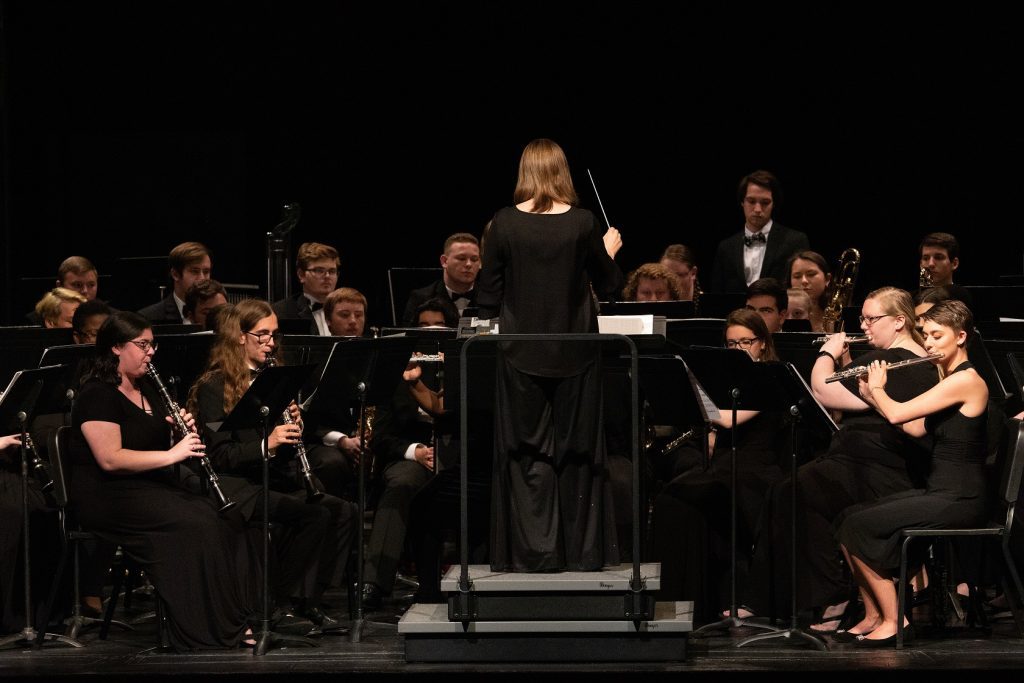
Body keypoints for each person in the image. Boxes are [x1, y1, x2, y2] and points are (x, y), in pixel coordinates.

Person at [742, 287, 940, 630]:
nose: (863, 326)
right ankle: (774, 600)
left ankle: (831, 597)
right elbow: (857, 406)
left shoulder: (901, 362)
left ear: (898, 321)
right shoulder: (886, 359)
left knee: (798, 490)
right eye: (861, 318)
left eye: (871, 319)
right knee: (785, 489)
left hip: (882, 471)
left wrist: (827, 353)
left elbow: (823, 391)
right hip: (857, 461)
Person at [476, 138, 624, 573]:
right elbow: (611, 284)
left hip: (519, 355)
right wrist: (609, 250)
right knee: (578, 453)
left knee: (523, 454)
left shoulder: (503, 222)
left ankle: (531, 555)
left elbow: (487, 295)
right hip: (576, 354)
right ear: (563, 173)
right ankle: (581, 555)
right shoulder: (582, 223)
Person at [68, 311, 257, 649]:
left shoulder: (148, 392)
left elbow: (151, 445)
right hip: (107, 496)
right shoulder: (96, 394)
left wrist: (176, 436)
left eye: (152, 345)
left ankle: (234, 617)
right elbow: (110, 459)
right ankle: (203, 628)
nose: (150, 352)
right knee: (196, 523)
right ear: (116, 348)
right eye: (142, 345)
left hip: (148, 486)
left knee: (226, 515)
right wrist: (174, 454)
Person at [187, 299, 355, 634]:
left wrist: (295, 429)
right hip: (235, 485)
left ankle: (306, 599)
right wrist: (269, 443)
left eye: (273, 335)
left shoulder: (275, 379)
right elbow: (221, 456)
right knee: (313, 515)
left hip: (271, 477)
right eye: (261, 335)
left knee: (344, 511)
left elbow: (283, 450)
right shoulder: (214, 386)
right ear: (239, 337)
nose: (270, 343)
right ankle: (281, 604)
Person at [835, 299, 988, 646]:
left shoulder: (966, 380)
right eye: (927, 335)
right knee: (848, 517)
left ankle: (895, 620)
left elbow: (896, 415)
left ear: (961, 337)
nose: (930, 343)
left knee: (859, 526)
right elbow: (916, 427)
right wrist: (873, 398)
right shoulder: (947, 378)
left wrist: (878, 388)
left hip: (961, 497)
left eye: (937, 335)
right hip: (942, 492)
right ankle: (874, 614)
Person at [651, 308, 788, 624]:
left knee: (704, 497)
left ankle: (735, 594)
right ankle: (680, 604)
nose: (738, 350)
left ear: (763, 343)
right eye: (731, 344)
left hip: (756, 472)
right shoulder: (722, 380)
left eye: (746, 342)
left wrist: (689, 385)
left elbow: (727, 419)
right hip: (723, 467)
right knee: (671, 498)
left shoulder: (768, 376)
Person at [710, 169, 809, 293]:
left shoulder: (795, 241)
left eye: (765, 202)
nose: (757, 209)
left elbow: (802, 291)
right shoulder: (725, 248)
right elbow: (717, 294)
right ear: (742, 202)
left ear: (774, 204)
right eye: (751, 201)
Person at [401, 233, 482, 326]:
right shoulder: (421, 298)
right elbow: (408, 339)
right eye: (461, 258)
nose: (469, 264)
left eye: (474, 259)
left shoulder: (492, 298)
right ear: (444, 261)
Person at [272, 242, 340, 336]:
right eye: (319, 270)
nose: (327, 276)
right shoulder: (282, 312)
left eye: (332, 271)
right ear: (301, 275)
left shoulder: (349, 311)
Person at [138, 242, 212, 324]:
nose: (202, 278)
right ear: (175, 274)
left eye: (206, 272)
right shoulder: (148, 317)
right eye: (194, 271)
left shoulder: (217, 313)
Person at [918, 232, 973, 308]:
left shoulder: (962, 297)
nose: (930, 264)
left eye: (938, 257)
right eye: (926, 258)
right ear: (921, 264)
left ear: (954, 263)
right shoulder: (910, 298)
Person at [787, 250, 833, 333]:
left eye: (811, 274)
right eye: (797, 276)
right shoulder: (779, 313)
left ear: (827, 279)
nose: (804, 281)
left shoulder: (839, 314)